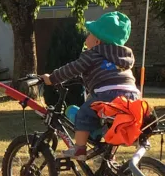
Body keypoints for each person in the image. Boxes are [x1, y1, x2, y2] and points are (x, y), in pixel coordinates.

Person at [42, 11, 140, 160]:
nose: (86, 38)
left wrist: (52, 78)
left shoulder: (93, 54)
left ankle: (79, 149)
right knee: (113, 124)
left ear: (97, 41)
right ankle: (109, 155)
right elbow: (108, 73)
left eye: (89, 35)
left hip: (108, 94)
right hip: (132, 95)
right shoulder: (123, 55)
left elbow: (73, 68)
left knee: (84, 113)